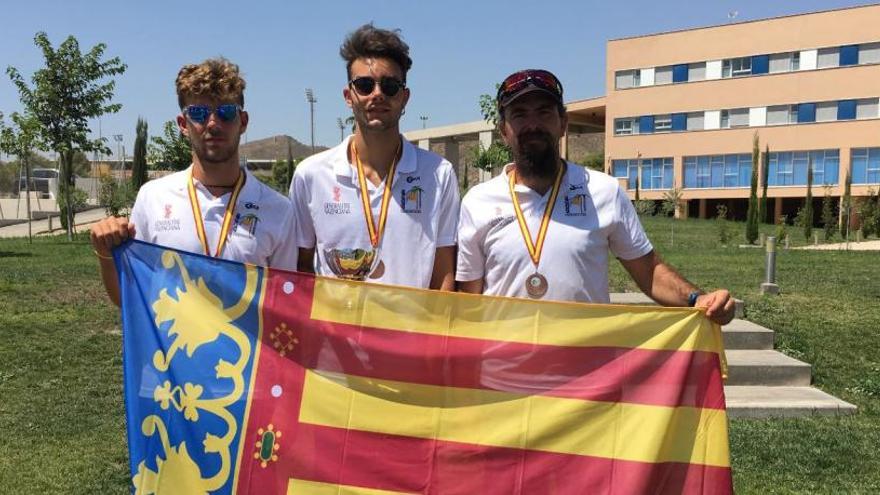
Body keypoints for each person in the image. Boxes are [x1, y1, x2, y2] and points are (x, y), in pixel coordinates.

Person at [456, 69, 735, 325]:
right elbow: (469, 299)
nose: (533, 125)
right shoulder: (478, 201)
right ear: (503, 130)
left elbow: (649, 272)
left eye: (544, 112)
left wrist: (697, 299)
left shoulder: (604, 191)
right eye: (519, 114)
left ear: (563, 122)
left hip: (584, 370)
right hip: (503, 371)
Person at [90, 58, 298, 306]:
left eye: (226, 112)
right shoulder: (153, 198)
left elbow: (285, 305)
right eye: (198, 113)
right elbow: (130, 299)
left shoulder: (278, 209)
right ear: (183, 125)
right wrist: (105, 254)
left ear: (242, 122)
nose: (213, 124)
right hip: (174, 344)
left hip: (244, 345)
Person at [290, 24, 460, 290]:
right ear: (349, 96)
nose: (377, 94)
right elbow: (301, 269)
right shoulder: (310, 175)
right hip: (336, 331)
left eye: (390, 86)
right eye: (365, 85)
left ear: (404, 98)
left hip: (409, 331)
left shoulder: (439, 174)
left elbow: (443, 273)